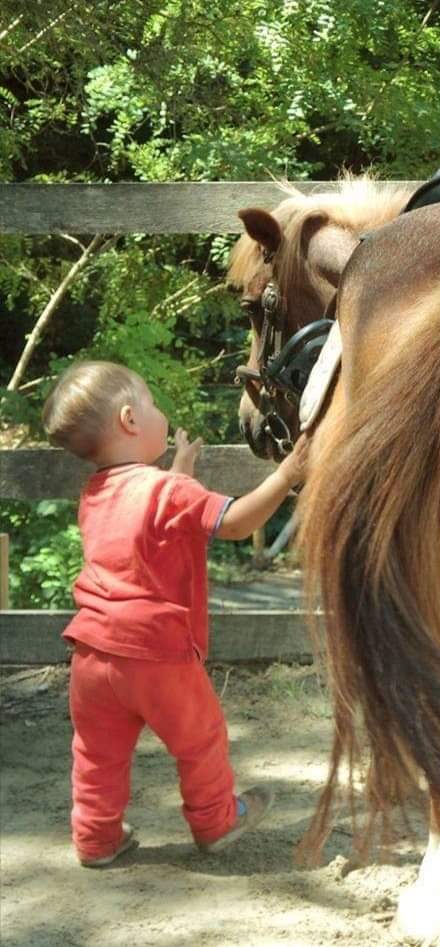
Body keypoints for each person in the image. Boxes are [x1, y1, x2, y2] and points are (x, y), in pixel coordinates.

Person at [41, 360, 309, 867]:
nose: (159, 411)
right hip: (158, 654)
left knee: (97, 753)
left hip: (92, 656)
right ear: (129, 420)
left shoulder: (95, 494)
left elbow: (146, 521)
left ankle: (96, 839)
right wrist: (287, 473)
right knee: (200, 739)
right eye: (151, 401)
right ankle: (216, 821)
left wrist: (179, 470)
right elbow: (234, 523)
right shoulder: (169, 492)